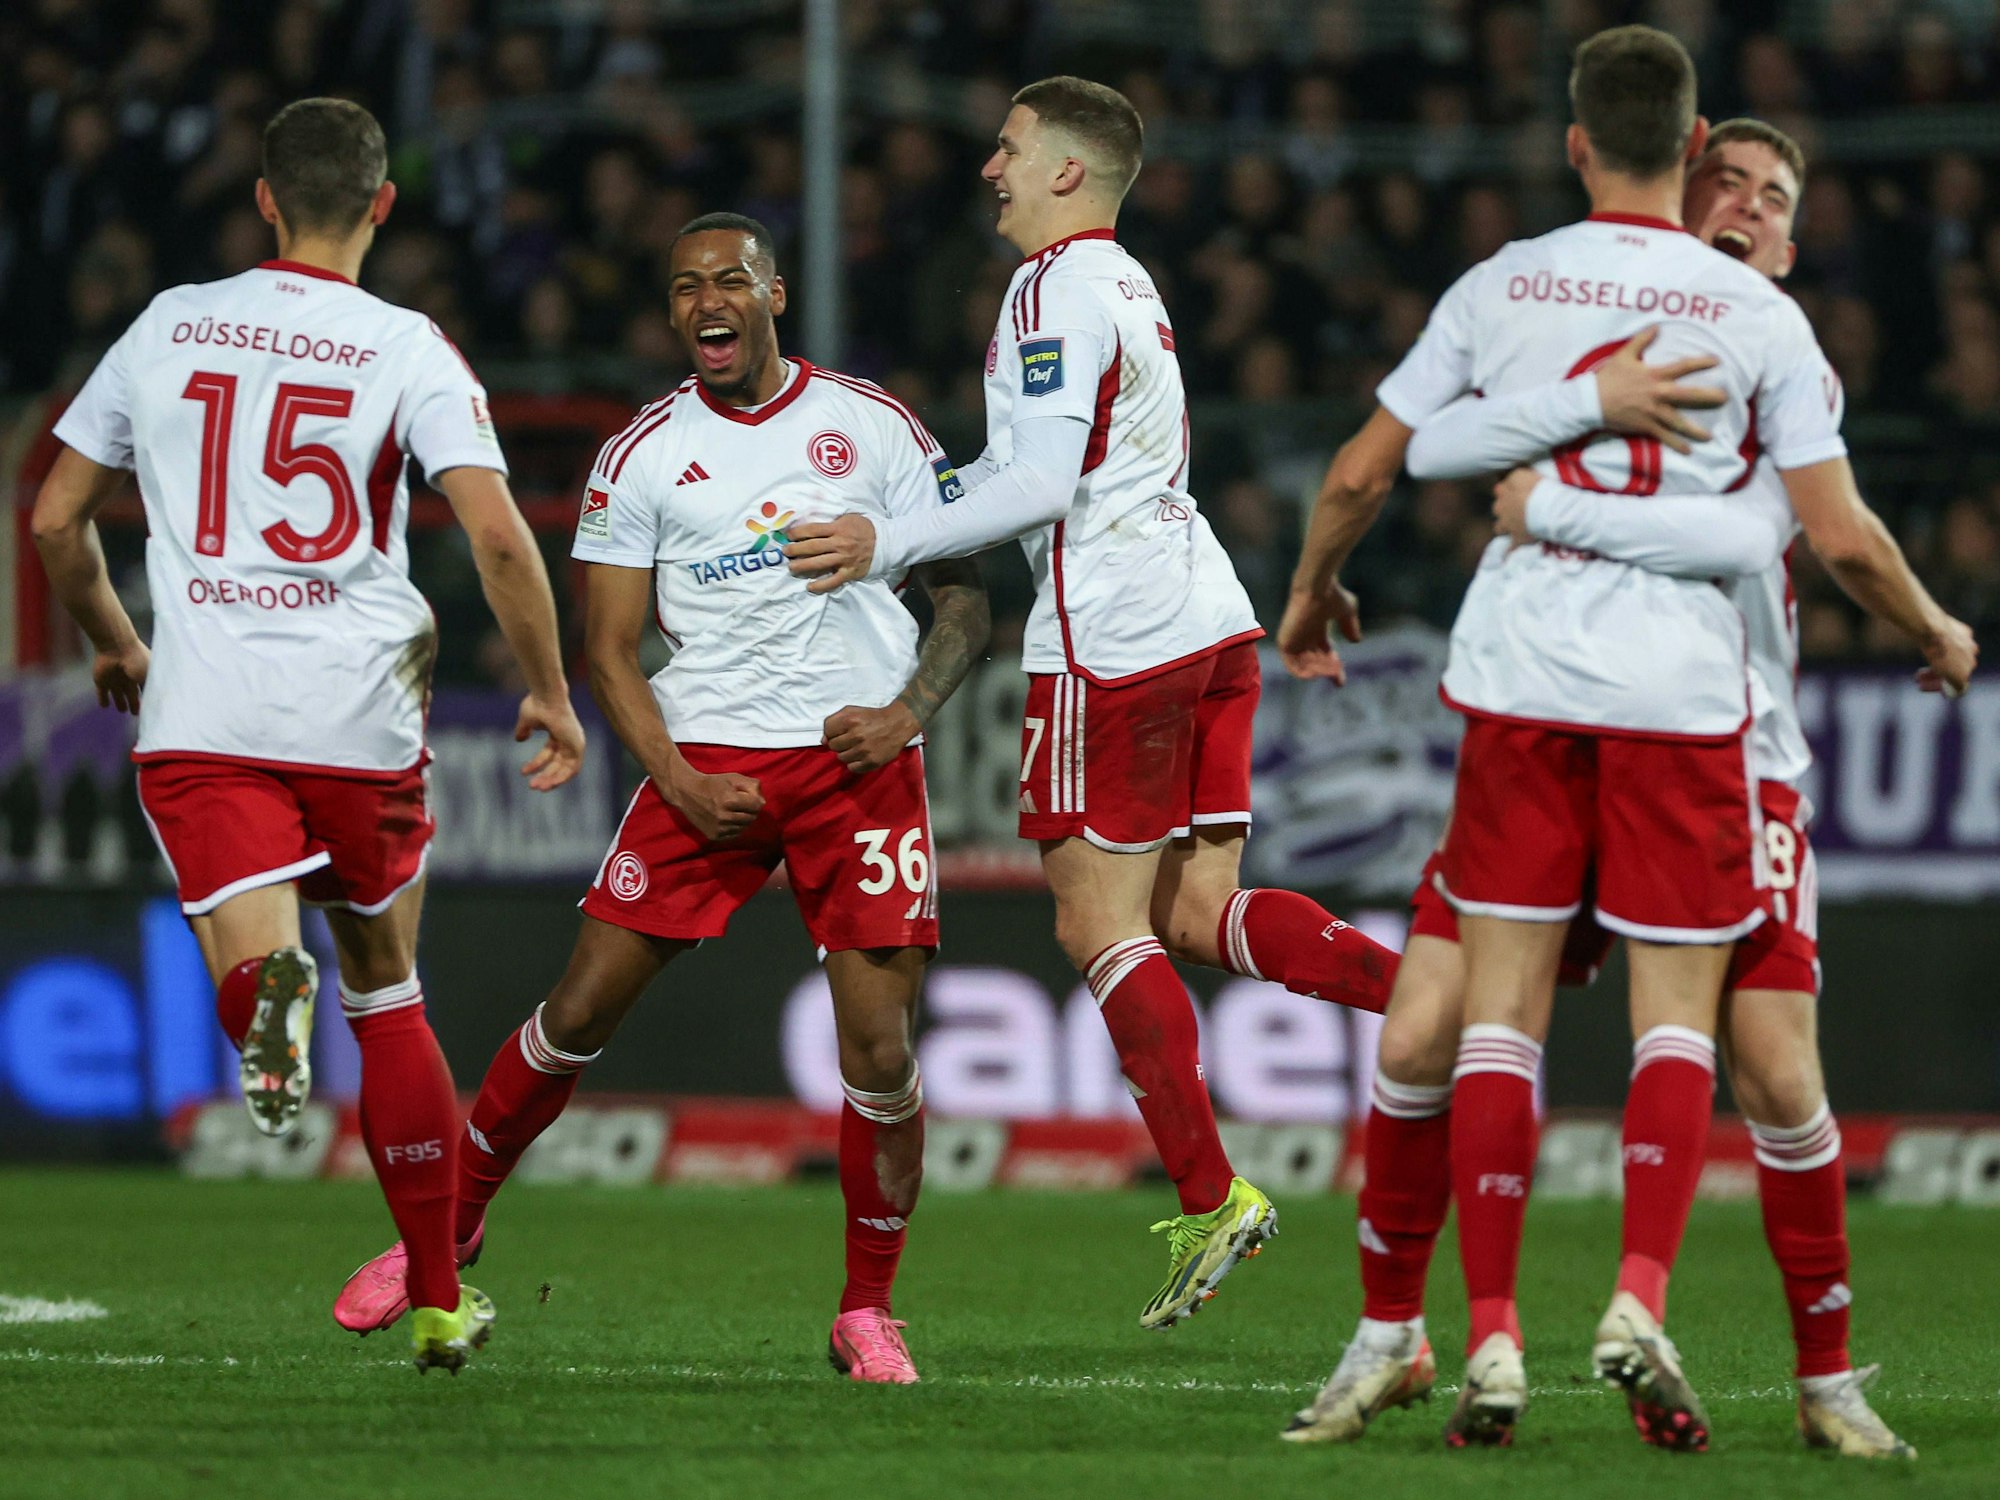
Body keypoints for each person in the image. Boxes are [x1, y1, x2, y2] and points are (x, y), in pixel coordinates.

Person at [1281, 26, 1975, 1449]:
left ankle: (1814, 1381)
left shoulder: (1757, 343)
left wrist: (1542, 495)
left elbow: (1751, 532)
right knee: (1422, 1034)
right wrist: (1935, 630)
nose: (1749, 204)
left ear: (1579, 141)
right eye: (1730, 178)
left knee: (1772, 1071)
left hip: (1710, 739)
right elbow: (1793, 536)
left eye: (1778, 196)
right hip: (1645, 713)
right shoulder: (1733, 331)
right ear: (1687, 157)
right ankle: (1405, 1337)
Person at [782, 76, 1401, 1330]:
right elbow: (1041, 463)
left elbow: (1040, 479)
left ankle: (1212, 1193)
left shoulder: (1048, 287)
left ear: (1065, 171)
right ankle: (1442, 996)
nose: (988, 170)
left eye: (1007, 149)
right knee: (1197, 908)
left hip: (1113, 637)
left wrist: (885, 534)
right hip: (1206, 613)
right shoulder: (1128, 284)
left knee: (1090, 922)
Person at [332, 213, 990, 1385]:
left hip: (857, 766)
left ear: (773, 290)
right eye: (683, 286)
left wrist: (905, 715)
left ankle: (866, 1312)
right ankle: (447, 1233)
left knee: (880, 1050)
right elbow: (611, 650)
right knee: (578, 1009)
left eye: (727, 279)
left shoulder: (871, 425)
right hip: (707, 765)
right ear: (672, 311)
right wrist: (676, 779)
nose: (705, 301)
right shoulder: (639, 454)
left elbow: (967, 598)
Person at [31, 98, 586, 1373]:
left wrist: (117, 642)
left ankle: (254, 1007)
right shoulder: (409, 347)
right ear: (383, 206)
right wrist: (550, 692)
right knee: (389, 996)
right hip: (359, 711)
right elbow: (499, 534)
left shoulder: (169, 323)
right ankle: (442, 1300)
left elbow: (59, 521)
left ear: (265, 200)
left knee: (259, 959)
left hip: (207, 710)